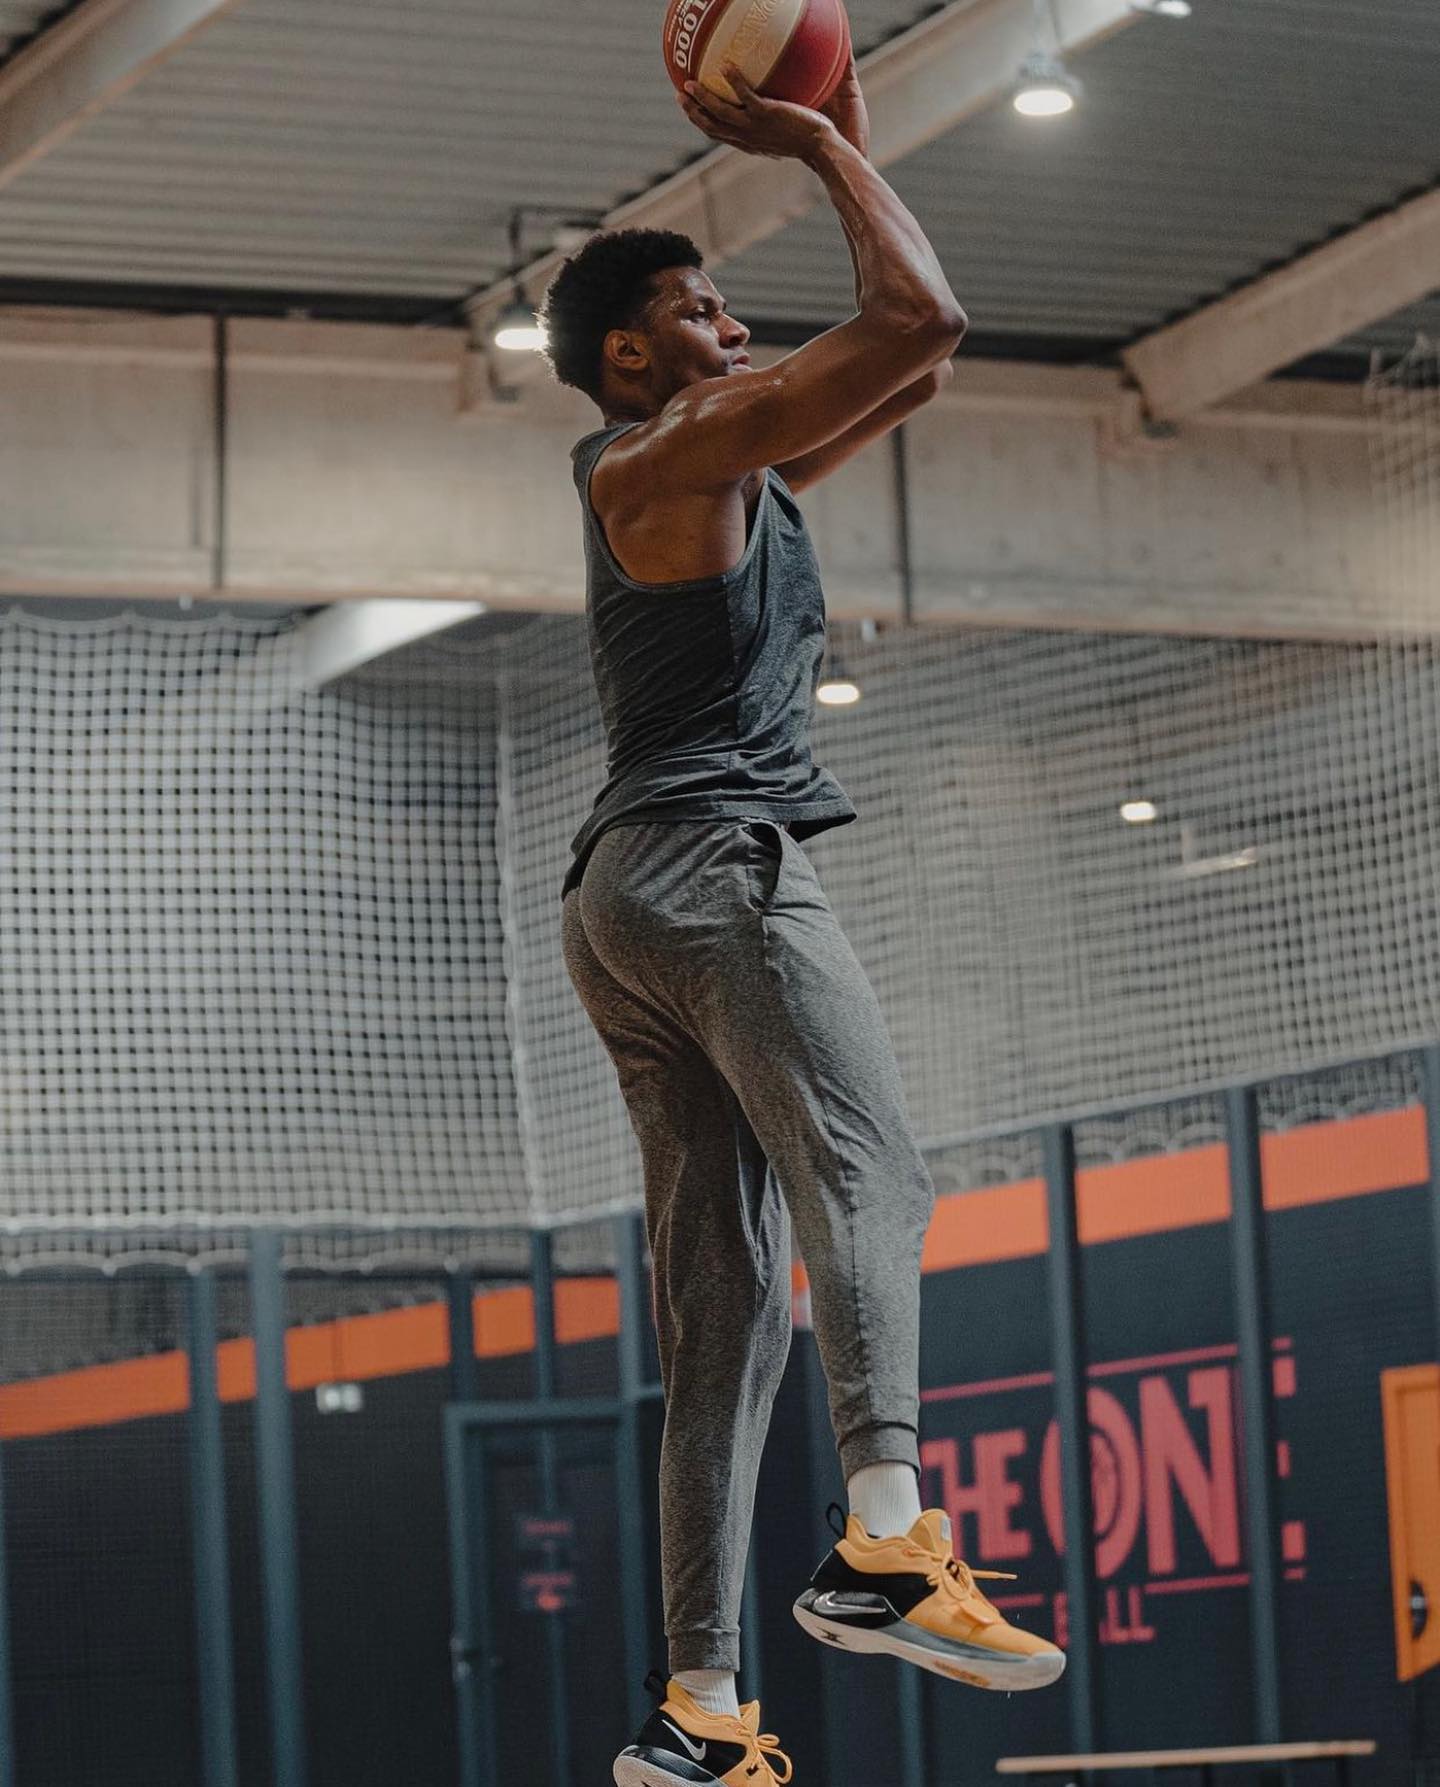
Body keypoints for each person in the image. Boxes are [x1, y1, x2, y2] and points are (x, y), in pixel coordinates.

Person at [543, 52, 1064, 1787]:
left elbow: (916, 358)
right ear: (632, 355)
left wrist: (845, 151)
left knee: (725, 1308)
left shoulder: (718, 470)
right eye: (702, 309)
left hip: (623, 902)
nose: (738, 326)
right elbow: (924, 313)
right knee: (873, 1177)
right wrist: (822, 137)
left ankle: (698, 1710)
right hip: (717, 870)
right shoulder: (672, 446)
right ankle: (887, 1542)